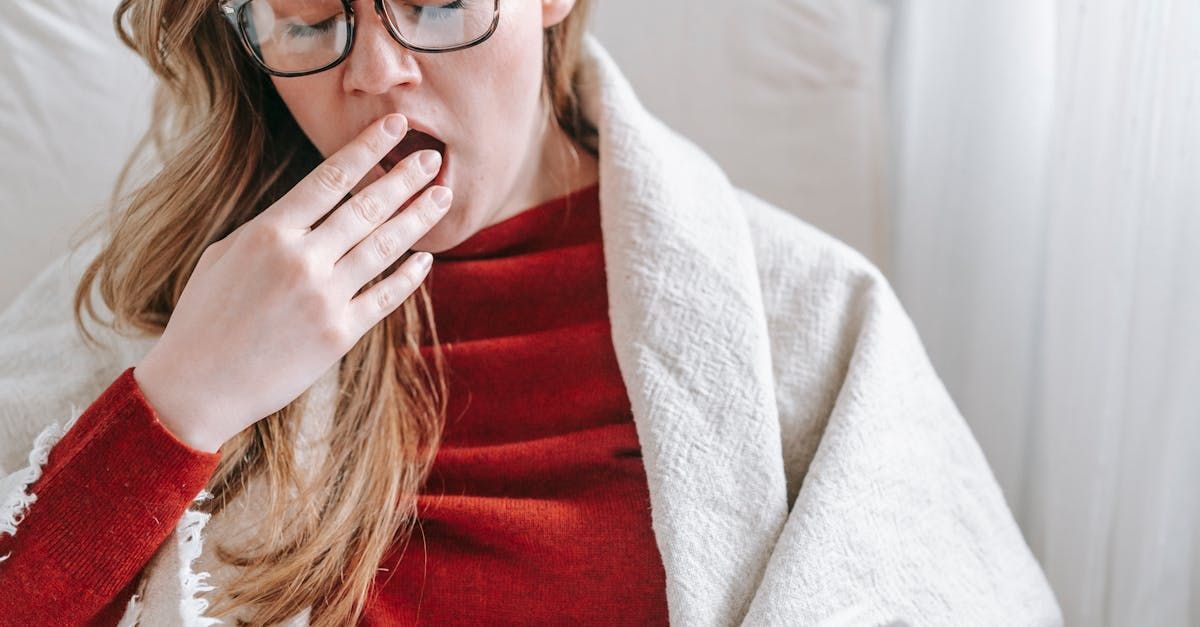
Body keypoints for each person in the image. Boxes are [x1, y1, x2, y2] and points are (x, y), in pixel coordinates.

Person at [0, 0, 1063, 625]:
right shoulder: (157, 294)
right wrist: (180, 403)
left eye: (437, 0)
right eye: (311, 17)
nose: (376, 72)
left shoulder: (813, 317)